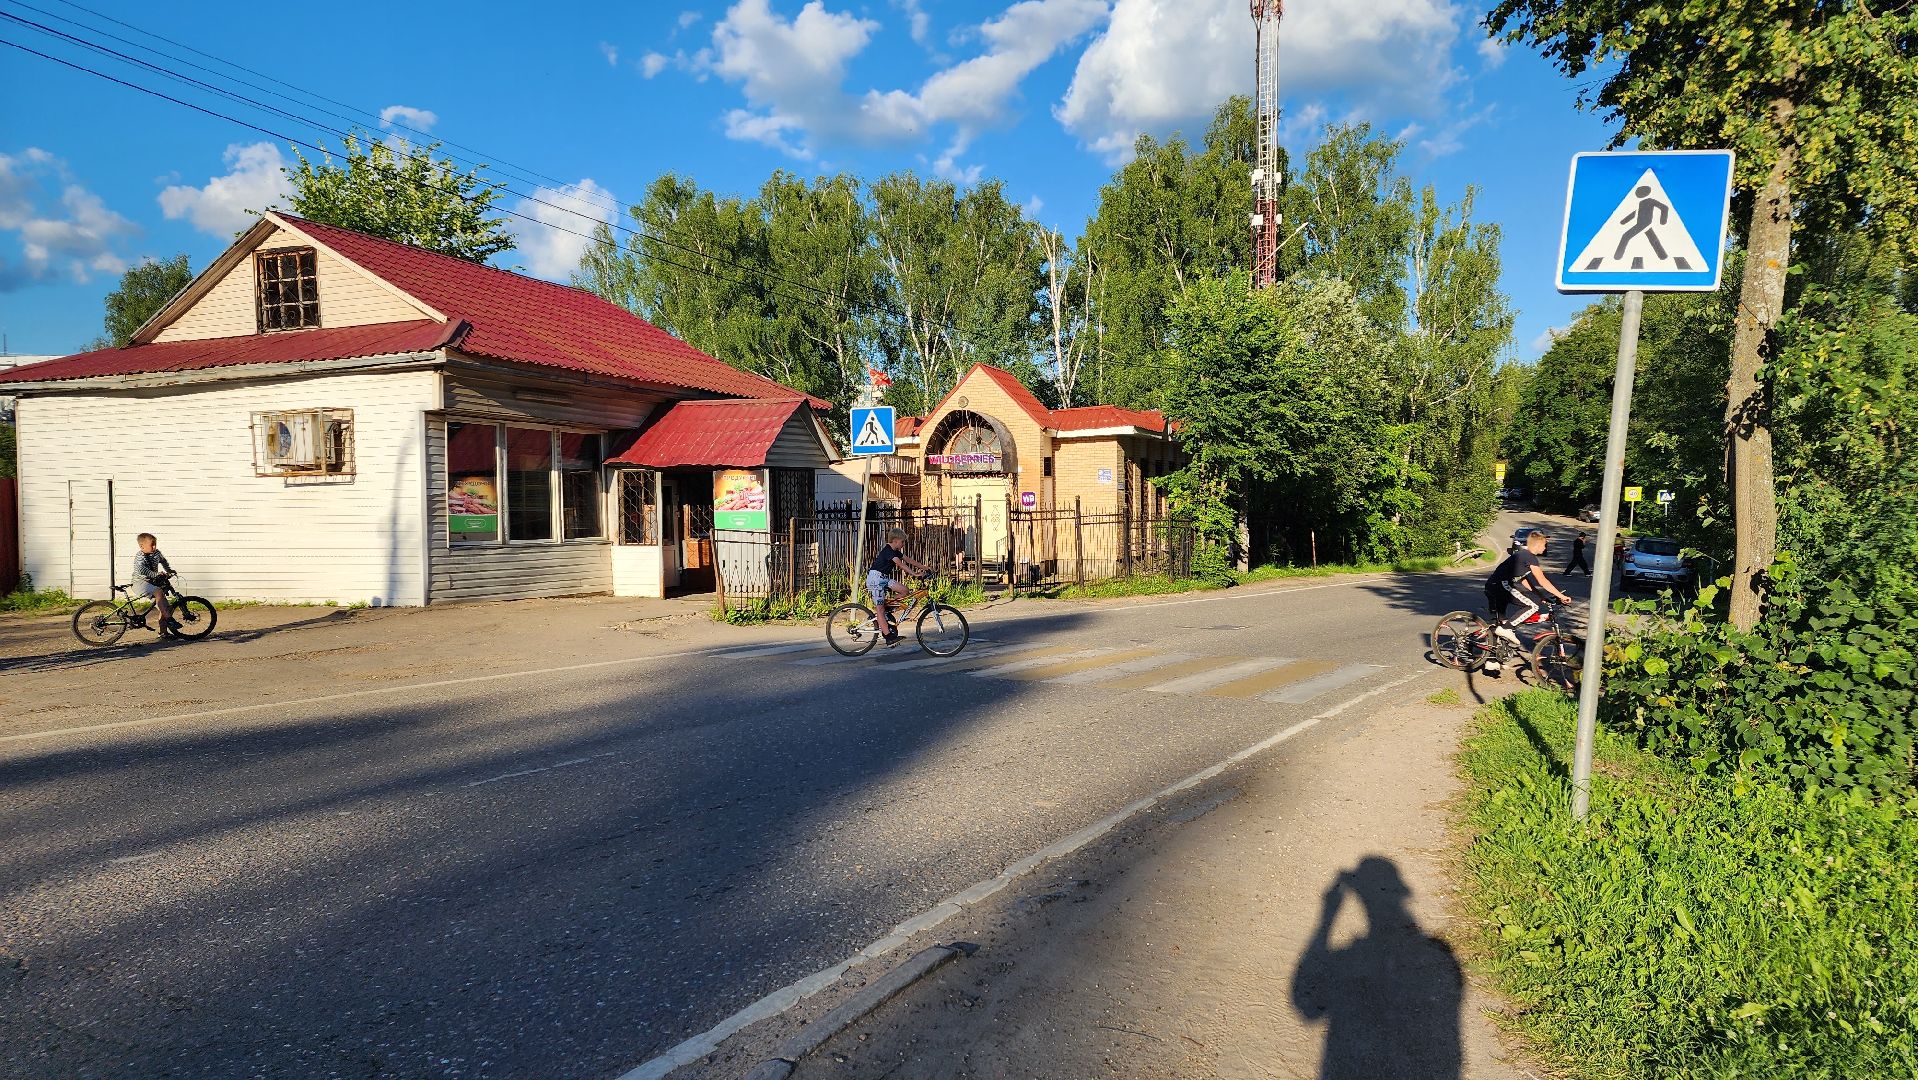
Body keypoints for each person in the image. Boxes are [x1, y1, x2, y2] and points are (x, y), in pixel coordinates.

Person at [1483, 530, 1571, 674]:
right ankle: (1507, 629)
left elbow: (1524, 580)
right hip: (1499, 586)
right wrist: (1560, 596)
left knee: (1500, 623)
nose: (1545, 548)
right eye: (1545, 545)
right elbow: (1542, 580)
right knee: (1531, 606)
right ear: (1538, 544)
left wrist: (1540, 595)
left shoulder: (1522, 556)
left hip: (1493, 586)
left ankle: (1492, 660)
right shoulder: (1529, 557)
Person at [867, 528, 927, 647]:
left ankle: (886, 611)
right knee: (879, 609)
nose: (903, 544)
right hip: (875, 579)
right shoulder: (888, 551)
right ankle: (889, 637)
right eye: (902, 542)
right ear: (895, 541)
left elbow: (908, 560)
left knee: (905, 590)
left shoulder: (895, 551)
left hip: (883, 578)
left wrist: (925, 568)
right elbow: (900, 564)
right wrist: (914, 574)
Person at [131, 532, 179, 637]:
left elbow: (163, 561)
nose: (154, 547)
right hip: (140, 583)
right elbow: (142, 570)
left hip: (151, 583)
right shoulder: (140, 556)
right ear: (141, 546)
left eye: (155, 544)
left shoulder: (156, 553)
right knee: (158, 592)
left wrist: (169, 570)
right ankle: (169, 619)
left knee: (165, 606)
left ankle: (163, 632)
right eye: (151, 545)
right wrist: (156, 574)